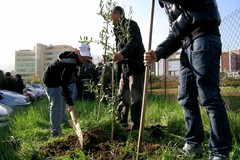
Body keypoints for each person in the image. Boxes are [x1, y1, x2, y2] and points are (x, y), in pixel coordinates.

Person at [144, 0, 232, 159]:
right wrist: (158, 53)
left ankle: (220, 152)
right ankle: (193, 144)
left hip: (203, 35)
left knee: (210, 96)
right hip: (186, 44)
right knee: (185, 97)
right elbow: (176, 31)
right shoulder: (167, 5)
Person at [43, 42, 91, 137]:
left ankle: (65, 124)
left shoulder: (76, 60)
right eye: (82, 55)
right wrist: (70, 102)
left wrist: (69, 101)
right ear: (76, 52)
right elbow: (64, 83)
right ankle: (56, 132)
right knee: (56, 106)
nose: (84, 58)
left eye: (86, 56)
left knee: (62, 104)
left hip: (59, 81)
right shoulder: (69, 62)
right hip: (51, 82)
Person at [111, 6, 145, 130]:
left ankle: (136, 126)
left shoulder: (131, 25)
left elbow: (133, 41)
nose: (110, 17)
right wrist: (112, 56)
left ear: (118, 14)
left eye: (112, 14)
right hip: (125, 67)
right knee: (122, 95)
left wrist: (122, 54)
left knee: (135, 97)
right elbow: (120, 48)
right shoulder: (117, 29)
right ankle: (122, 123)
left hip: (136, 65)